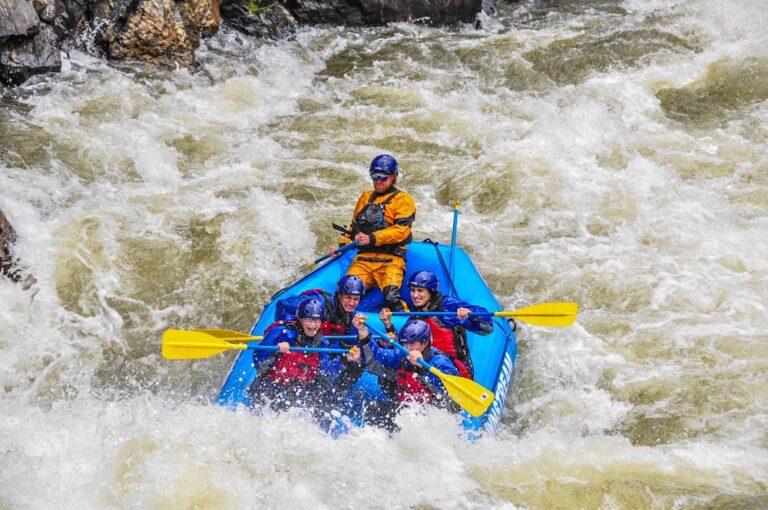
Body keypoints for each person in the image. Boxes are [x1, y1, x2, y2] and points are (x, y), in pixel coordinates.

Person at [328, 154, 416, 312]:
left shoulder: (403, 200)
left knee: (391, 298)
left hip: (391, 260)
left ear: (394, 176)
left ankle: (405, 326)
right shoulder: (365, 197)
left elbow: (401, 231)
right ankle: (341, 326)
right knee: (345, 294)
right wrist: (341, 248)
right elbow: (353, 229)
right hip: (363, 260)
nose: (378, 181)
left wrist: (372, 238)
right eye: (375, 177)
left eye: (383, 177)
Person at [247, 297, 361, 417]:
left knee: (326, 412)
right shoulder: (282, 333)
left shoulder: (320, 342)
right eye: (308, 320)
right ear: (300, 319)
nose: (313, 325)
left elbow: (324, 371)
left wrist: (345, 358)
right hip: (270, 389)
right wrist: (275, 350)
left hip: (298, 392)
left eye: (317, 321)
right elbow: (258, 362)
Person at [379, 270, 493, 378]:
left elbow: (487, 327)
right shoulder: (415, 315)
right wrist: (389, 327)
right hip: (426, 364)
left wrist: (470, 316)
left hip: (454, 368)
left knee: (433, 363)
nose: (414, 295)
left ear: (431, 291)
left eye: (420, 290)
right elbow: (405, 345)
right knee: (390, 373)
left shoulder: (447, 305)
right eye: (412, 290)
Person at [352, 317, 460, 431]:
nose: (407, 349)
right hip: (407, 411)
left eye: (413, 344)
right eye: (405, 344)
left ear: (425, 343)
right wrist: (363, 331)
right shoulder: (401, 355)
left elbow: (452, 393)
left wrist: (422, 367)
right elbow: (374, 358)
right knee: (372, 408)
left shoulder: (440, 361)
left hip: (433, 418)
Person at [274, 275, 366, 336]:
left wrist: (360, 328)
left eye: (356, 299)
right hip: (300, 337)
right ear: (339, 295)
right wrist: (298, 329)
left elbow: (351, 341)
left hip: (320, 342)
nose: (351, 303)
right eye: (348, 297)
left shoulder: (351, 316)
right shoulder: (317, 302)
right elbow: (283, 305)